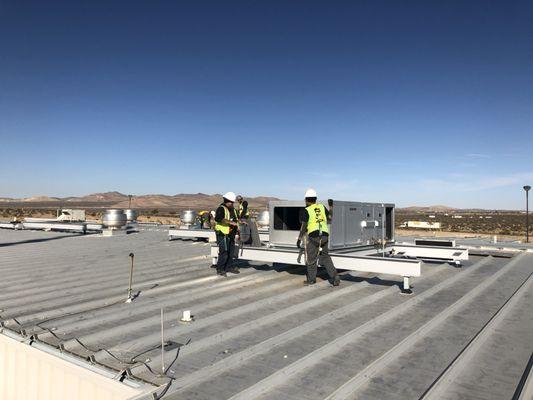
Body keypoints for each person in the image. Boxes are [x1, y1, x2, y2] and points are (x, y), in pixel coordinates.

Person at [296, 189, 340, 286]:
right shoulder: (322, 207)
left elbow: (303, 226)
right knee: (325, 257)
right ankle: (335, 277)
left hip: (314, 237)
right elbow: (330, 219)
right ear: (315, 199)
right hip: (324, 235)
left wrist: (299, 239)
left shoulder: (305, 210)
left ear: (306, 200)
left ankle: (311, 280)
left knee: (311, 259)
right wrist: (331, 207)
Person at [214, 192, 240, 276]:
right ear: (226, 201)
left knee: (231, 252)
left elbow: (236, 219)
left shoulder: (233, 209)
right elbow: (218, 218)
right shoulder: (221, 209)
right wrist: (230, 222)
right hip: (222, 234)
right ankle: (220, 269)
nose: (232, 203)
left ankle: (229, 267)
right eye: (231, 202)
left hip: (231, 234)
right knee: (224, 252)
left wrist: (240, 223)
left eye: (233, 202)